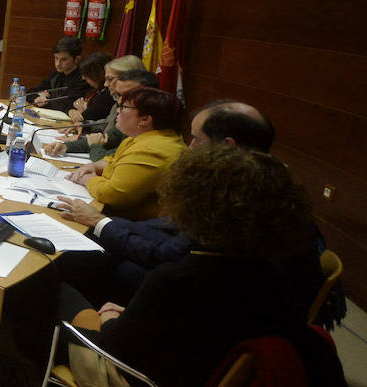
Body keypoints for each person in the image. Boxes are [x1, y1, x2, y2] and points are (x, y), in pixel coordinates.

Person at [46, 145, 325, 387]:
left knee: (50, 284)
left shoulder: (177, 278)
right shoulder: (272, 275)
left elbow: (113, 345)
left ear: (195, 205)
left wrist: (111, 317)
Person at [54, 100, 290, 309]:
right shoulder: (256, 183)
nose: (189, 147)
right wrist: (102, 224)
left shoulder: (237, 201)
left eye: (196, 138)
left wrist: (100, 223)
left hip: (183, 299)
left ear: (227, 146)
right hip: (181, 279)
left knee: (64, 264)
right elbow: (166, 229)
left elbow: (168, 255)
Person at [66, 86, 186, 219]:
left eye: (123, 107)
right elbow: (112, 160)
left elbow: (111, 195)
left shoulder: (152, 150)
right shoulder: (141, 137)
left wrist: (87, 179)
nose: (117, 110)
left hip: (132, 223)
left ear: (145, 119)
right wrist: (93, 166)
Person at [30, 35, 87, 111]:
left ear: (76, 59)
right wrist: (36, 98)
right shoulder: (56, 74)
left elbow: (67, 103)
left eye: (63, 60)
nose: (58, 64)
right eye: (56, 58)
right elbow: (31, 92)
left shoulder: (83, 78)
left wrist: (48, 98)